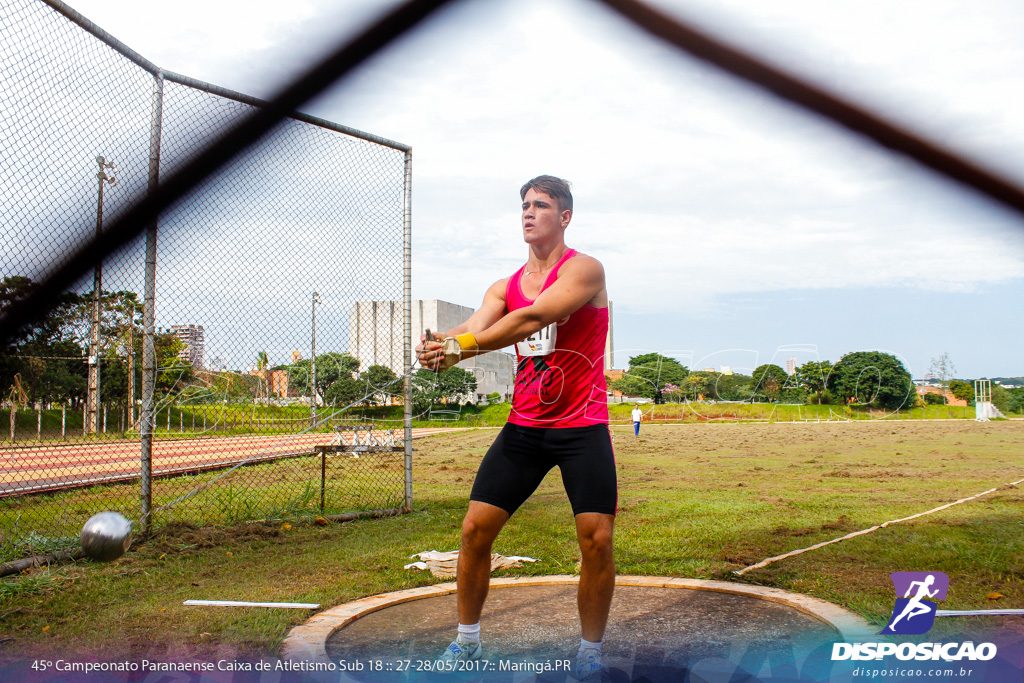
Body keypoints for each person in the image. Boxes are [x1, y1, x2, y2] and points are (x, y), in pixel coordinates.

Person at [417, 175, 615, 680]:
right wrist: (440, 343)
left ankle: (590, 653)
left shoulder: (585, 270)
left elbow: (532, 318)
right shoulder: (503, 286)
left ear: (564, 217)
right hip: (524, 428)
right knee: (473, 531)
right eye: (524, 205)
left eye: (541, 205)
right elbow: (478, 324)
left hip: (581, 428)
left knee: (596, 540)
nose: (529, 213)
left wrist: (463, 349)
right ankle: (467, 643)